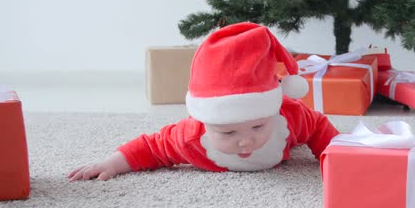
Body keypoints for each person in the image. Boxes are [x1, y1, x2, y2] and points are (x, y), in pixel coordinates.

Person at [68, 22, 340, 182]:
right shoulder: (190, 138)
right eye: (229, 132)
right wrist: (113, 163)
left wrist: (337, 158)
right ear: (205, 121)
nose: (245, 141)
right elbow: (151, 147)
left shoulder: (288, 117)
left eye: (258, 127)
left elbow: (318, 127)